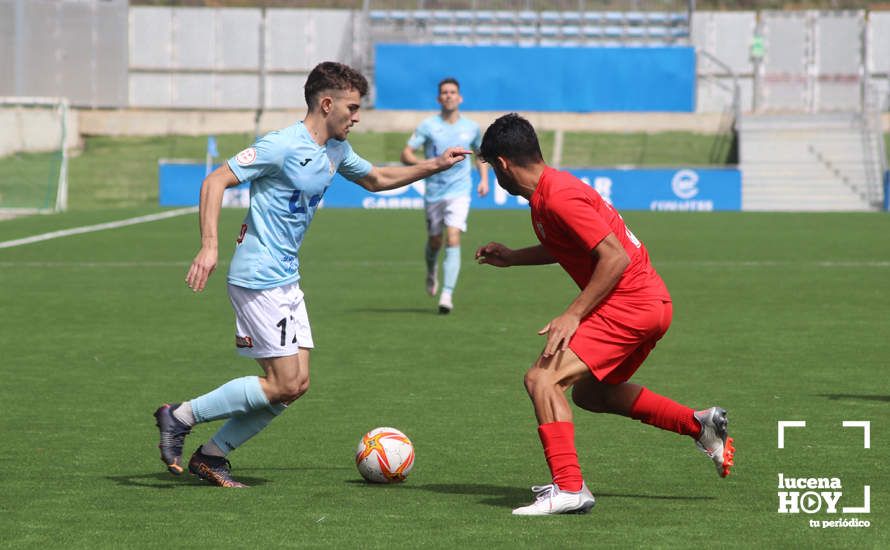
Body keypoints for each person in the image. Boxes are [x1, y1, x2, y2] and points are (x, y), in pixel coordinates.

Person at [154, 62, 471, 488]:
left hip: (286, 277)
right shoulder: (280, 145)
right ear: (327, 104)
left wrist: (435, 165)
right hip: (257, 276)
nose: (356, 117)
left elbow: (377, 178)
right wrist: (209, 246)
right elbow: (215, 182)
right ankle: (180, 416)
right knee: (283, 382)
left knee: (296, 384)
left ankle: (212, 456)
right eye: (352, 108)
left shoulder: (336, 149)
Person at [474, 113, 735, 515]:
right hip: (647, 305)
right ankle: (699, 425)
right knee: (592, 394)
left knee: (542, 378)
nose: (495, 176)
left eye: (492, 168)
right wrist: (513, 257)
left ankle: (570, 487)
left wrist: (573, 315)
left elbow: (612, 256)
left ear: (503, 164)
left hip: (632, 304)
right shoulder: (547, 195)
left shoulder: (558, 194)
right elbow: (571, 245)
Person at [401, 77, 489, 314]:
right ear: (439, 98)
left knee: (453, 238)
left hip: (460, 191)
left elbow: (481, 154)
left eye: (452, 92)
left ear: (459, 98)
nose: (449, 96)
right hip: (434, 192)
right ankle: (432, 271)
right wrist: (426, 164)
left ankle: (447, 295)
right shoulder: (428, 126)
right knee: (435, 241)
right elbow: (406, 154)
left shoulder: (470, 127)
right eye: (445, 93)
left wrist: (483, 179)